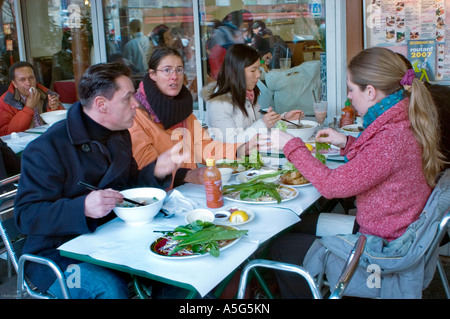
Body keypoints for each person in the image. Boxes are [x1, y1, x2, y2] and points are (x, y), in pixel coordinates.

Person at [259, 47, 445, 298]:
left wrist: (291, 145)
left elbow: (331, 186)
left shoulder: (391, 139)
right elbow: (379, 163)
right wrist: (347, 143)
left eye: (350, 89)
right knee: (297, 224)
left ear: (370, 92)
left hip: (380, 252)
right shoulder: (403, 119)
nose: (348, 97)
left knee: (282, 246)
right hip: (392, 230)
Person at [14, 61, 185, 299]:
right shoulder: (47, 147)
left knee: (177, 265)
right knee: (109, 287)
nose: (136, 104)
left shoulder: (119, 133)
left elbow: (129, 189)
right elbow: (26, 215)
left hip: (112, 240)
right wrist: (82, 207)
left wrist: (157, 170)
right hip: (57, 258)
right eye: (128, 98)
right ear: (101, 105)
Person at [129, 47, 255, 188]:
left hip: (190, 191)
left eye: (179, 70)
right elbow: (149, 170)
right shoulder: (135, 116)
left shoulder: (182, 109)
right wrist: (187, 176)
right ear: (152, 74)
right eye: (166, 70)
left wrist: (238, 150)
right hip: (160, 197)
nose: (174, 76)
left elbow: (204, 146)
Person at [202, 43, 303, 144]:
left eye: (259, 69)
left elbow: (255, 128)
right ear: (236, 71)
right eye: (253, 70)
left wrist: (283, 119)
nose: (258, 75)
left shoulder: (248, 93)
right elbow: (230, 144)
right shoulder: (219, 104)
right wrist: (263, 124)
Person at [0, 61, 65, 136]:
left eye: (31, 78)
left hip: (47, 139)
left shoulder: (46, 94)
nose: (28, 83)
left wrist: (54, 108)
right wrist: (28, 108)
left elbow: (62, 124)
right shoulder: (5, 102)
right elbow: (6, 134)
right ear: (15, 84)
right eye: (22, 80)